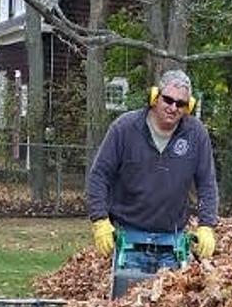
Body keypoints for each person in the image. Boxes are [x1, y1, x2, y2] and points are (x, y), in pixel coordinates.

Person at [86, 69, 219, 274]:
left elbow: (207, 184)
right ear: (155, 97)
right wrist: (100, 220)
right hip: (129, 238)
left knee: (170, 303)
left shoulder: (196, 134)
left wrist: (207, 225)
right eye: (168, 100)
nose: (173, 107)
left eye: (180, 103)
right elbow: (99, 176)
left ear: (188, 106)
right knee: (127, 301)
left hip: (172, 240)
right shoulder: (125, 128)